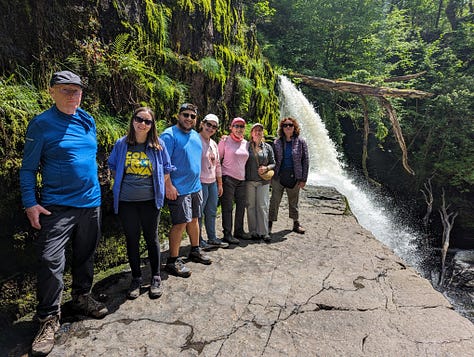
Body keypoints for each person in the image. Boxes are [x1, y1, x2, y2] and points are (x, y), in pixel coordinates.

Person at [19, 70, 108, 356]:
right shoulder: (41, 124)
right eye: (66, 90)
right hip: (57, 206)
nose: (73, 95)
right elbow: (29, 169)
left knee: (85, 254)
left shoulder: (87, 120)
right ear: (51, 91)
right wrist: (30, 203)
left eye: (77, 90)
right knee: (49, 261)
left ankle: (82, 296)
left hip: (91, 202)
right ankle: (48, 318)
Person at [108, 107, 174, 299]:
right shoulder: (122, 144)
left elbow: (167, 168)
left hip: (150, 200)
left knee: (151, 238)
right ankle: (136, 278)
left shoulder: (158, 145)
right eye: (139, 119)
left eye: (148, 121)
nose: (143, 124)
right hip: (127, 201)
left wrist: (163, 185)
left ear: (152, 125)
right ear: (133, 120)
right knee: (132, 239)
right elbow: (113, 166)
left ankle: (155, 276)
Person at [160, 103, 211, 278]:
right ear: (178, 115)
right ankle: (172, 261)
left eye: (192, 116)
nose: (189, 119)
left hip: (195, 186)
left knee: (195, 219)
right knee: (180, 223)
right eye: (185, 115)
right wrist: (169, 186)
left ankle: (195, 249)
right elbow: (162, 164)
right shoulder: (169, 135)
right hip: (178, 189)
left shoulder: (195, 136)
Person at [269, 117, 309, 234]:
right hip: (278, 176)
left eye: (290, 125)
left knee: (294, 201)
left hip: (295, 176)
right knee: (274, 201)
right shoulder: (277, 142)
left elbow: (305, 161)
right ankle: (269, 223)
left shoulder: (301, 142)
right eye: (285, 125)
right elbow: (272, 159)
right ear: (282, 128)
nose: (288, 127)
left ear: (294, 127)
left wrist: (303, 179)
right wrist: (270, 175)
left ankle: (296, 223)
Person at [198, 114, 229, 250]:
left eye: (214, 127)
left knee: (211, 211)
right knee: (198, 213)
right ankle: (198, 240)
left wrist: (220, 183)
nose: (210, 128)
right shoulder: (195, 140)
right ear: (202, 124)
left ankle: (212, 238)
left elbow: (217, 164)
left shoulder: (214, 143)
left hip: (212, 183)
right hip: (199, 182)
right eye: (208, 125)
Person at [218, 117, 250, 244]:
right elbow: (217, 159)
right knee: (228, 207)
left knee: (241, 206)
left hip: (242, 179)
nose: (239, 129)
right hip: (228, 178)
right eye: (236, 126)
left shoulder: (246, 143)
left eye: (241, 126)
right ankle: (227, 234)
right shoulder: (225, 141)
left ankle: (239, 231)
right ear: (231, 127)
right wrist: (219, 179)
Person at [245, 123, 275, 242]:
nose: (258, 132)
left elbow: (274, 163)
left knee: (262, 206)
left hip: (263, 182)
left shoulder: (268, 147)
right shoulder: (246, 146)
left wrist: (267, 168)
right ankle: (253, 231)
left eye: (260, 130)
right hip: (249, 181)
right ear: (251, 133)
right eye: (255, 130)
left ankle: (264, 232)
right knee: (251, 206)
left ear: (263, 133)